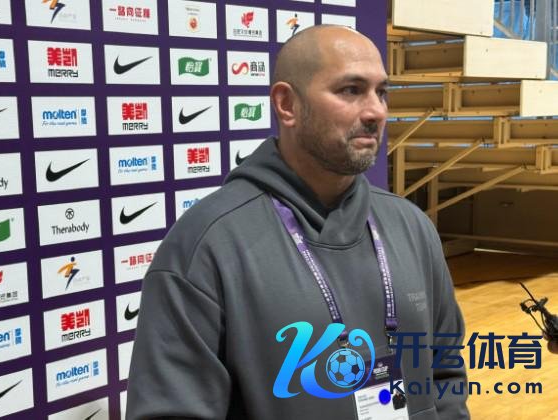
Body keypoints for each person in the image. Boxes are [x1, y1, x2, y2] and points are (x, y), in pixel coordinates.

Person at [126, 25, 469, 419]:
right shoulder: (207, 244)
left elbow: (445, 372)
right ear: (286, 104)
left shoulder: (411, 226)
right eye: (351, 90)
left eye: (382, 92)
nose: (376, 111)